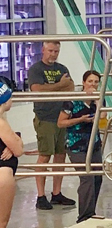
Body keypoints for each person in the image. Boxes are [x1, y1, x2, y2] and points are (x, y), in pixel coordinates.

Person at [28, 41, 75, 210]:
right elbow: (37, 90)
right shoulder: (36, 69)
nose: (53, 54)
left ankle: (57, 193)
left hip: (62, 116)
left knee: (61, 155)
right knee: (45, 155)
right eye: (50, 50)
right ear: (43, 50)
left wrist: (54, 88)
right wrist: (59, 86)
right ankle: (41, 196)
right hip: (45, 117)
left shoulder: (62, 68)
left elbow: (70, 87)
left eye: (56, 51)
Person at [57, 71, 107, 223]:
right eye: (90, 81)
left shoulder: (99, 100)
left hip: (94, 144)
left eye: (96, 82)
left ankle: (91, 211)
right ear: (84, 82)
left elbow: (103, 117)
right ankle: (84, 216)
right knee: (87, 177)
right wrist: (80, 120)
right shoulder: (72, 101)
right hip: (76, 145)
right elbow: (61, 122)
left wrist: (97, 102)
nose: (93, 84)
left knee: (97, 177)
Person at [0, 82, 24, 228]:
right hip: (3, 177)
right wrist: (15, 142)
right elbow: (19, 149)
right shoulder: (0, 123)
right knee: (1, 223)